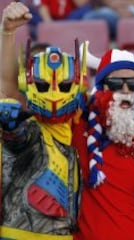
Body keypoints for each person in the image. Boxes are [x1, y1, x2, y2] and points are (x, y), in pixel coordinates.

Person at [0, 2, 88, 240]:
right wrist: (7, 32)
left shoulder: (82, 125)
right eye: (42, 83)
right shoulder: (23, 127)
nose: (53, 94)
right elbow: (6, 94)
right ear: (26, 84)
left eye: (62, 83)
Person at [74, 39, 134, 240]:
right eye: (114, 83)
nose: (125, 90)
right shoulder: (78, 123)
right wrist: (7, 32)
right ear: (101, 88)